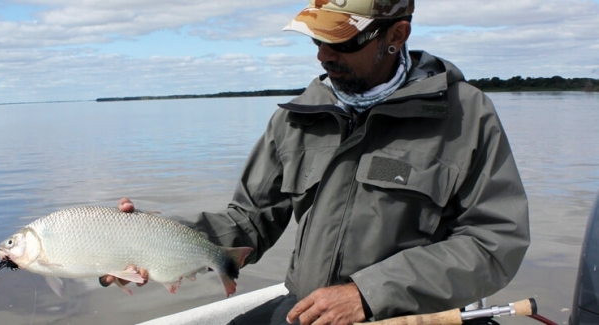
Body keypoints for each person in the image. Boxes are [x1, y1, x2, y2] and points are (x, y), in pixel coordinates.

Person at [101, 0, 530, 324]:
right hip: (305, 310)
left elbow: (495, 242)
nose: (323, 56)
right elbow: (250, 221)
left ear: (396, 35)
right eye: (317, 40)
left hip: (405, 315)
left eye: (342, 41)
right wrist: (155, 238)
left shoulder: (466, 115)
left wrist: (366, 294)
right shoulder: (297, 117)